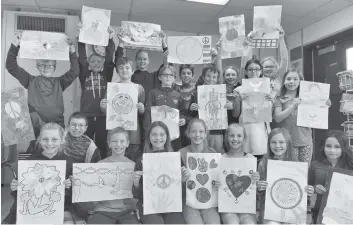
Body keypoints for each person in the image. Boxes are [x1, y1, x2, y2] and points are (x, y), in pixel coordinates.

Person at [5, 32, 79, 153]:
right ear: (37, 67)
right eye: (42, 65)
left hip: (57, 125)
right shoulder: (30, 80)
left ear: (54, 67)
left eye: (50, 65)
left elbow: (75, 71)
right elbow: (10, 66)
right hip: (36, 126)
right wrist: (15, 45)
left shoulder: (60, 82)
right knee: (35, 153)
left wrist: (72, 51)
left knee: (57, 154)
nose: (46, 68)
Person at [2, 123, 74, 224]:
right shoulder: (29, 162)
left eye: (54, 139)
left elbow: (72, 196)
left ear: (62, 140)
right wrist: (15, 187)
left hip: (56, 209)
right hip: (29, 209)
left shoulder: (69, 162)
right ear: (39, 140)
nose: (49, 143)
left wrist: (69, 186)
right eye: (45, 139)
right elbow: (20, 194)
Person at [257, 128, 314, 224]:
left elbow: (300, 190)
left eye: (281, 142)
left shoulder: (297, 165)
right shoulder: (263, 163)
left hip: (292, 209)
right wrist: (259, 187)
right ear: (269, 144)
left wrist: (308, 190)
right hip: (270, 209)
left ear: (288, 143)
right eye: (273, 142)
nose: (277, 146)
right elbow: (258, 192)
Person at [134, 121, 187, 224]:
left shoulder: (175, 159)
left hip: (171, 206)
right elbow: (138, 195)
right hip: (150, 207)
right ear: (149, 137)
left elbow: (181, 193)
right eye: (154, 134)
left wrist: (184, 181)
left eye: (162, 134)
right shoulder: (141, 160)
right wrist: (136, 184)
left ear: (167, 137)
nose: (158, 138)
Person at [273, 68, 331, 163]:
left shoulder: (308, 97)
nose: (291, 82)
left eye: (295, 79)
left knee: (304, 172)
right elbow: (277, 118)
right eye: (288, 79)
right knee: (291, 171)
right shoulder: (280, 99)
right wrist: (292, 106)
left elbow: (316, 114)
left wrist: (325, 105)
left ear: (300, 81)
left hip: (306, 141)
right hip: (287, 142)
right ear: (284, 81)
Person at [77, 23, 116, 159]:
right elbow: (81, 58)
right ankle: (83, 166)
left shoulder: (106, 75)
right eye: (93, 62)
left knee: (101, 144)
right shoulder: (84, 76)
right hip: (86, 115)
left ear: (103, 64)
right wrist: (81, 37)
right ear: (89, 64)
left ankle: (101, 164)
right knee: (85, 143)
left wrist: (110, 39)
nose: (96, 64)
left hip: (102, 116)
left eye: (99, 62)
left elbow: (110, 59)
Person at [86, 127, 140, 224]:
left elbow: (136, 193)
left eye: (122, 141)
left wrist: (136, 184)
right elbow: (93, 190)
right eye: (114, 141)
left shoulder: (132, 165)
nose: (118, 144)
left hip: (126, 212)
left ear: (127, 143)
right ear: (109, 143)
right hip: (103, 210)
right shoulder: (100, 165)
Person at [100, 56, 145, 162]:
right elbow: (107, 111)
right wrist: (103, 106)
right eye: (121, 67)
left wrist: (141, 109)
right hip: (114, 134)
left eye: (127, 67)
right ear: (117, 71)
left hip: (133, 135)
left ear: (133, 71)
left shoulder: (139, 88)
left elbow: (143, 113)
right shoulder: (111, 88)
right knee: (113, 163)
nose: (124, 70)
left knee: (132, 164)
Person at [178, 118, 221, 224]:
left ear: (206, 133)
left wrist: (218, 183)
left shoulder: (212, 153)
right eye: (193, 131)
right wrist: (182, 179)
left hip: (208, 201)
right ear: (188, 133)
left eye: (201, 131)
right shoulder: (181, 153)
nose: (197, 135)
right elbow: (176, 184)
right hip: (188, 203)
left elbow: (217, 179)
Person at [308, 130, 353, 223]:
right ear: (323, 147)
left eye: (337, 147)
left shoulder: (350, 166)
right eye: (328, 146)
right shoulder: (315, 165)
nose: (332, 150)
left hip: (346, 213)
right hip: (320, 211)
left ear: (343, 148)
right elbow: (308, 187)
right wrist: (315, 189)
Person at [233, 59, 272, 163]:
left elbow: (272, 115)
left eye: (257, 69)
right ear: (245, 71)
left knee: (261, 161)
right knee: (246, 162)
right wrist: (239, 99)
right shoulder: (239, 90)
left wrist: (271, 100)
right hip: (246, 130)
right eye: (250, 69)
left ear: (261, 71)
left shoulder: (268, 89)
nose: (254, 72)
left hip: (261, 130)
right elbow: (235, 114)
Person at [220, 123, 259, 224]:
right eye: (232, 135)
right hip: (228, 208)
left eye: (239, 136)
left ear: (244, 138)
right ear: (226, 137)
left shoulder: (251, 159)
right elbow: (219, 184)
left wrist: (256, 179)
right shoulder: (221, 159)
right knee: (232, 223)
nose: (235, 139)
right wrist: (216, 184)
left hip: (247, 208)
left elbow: (255, 188)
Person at [143, 65, 186, 151]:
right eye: (165, 75)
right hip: (157, 137)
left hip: (174, 136)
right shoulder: (153, 93)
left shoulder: (178, 95)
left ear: (174, 78)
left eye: (171, 75)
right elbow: (148, 113)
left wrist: (183, 119)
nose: (168, 77)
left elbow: (183, 112)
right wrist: (147, 132)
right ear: (159, 77)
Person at [189, 65, 228, 153]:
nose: (211, 79)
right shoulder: (196, 93)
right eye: (208, 76)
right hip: (200, 132)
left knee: (217, 155)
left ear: (217, 78)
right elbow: (191, 115)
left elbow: (225, 111)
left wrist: (228, 106)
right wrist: (191, 108)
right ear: (203, 77)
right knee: (201, 154)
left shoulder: (221, 93)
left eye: (214, 77)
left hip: (217, 131)